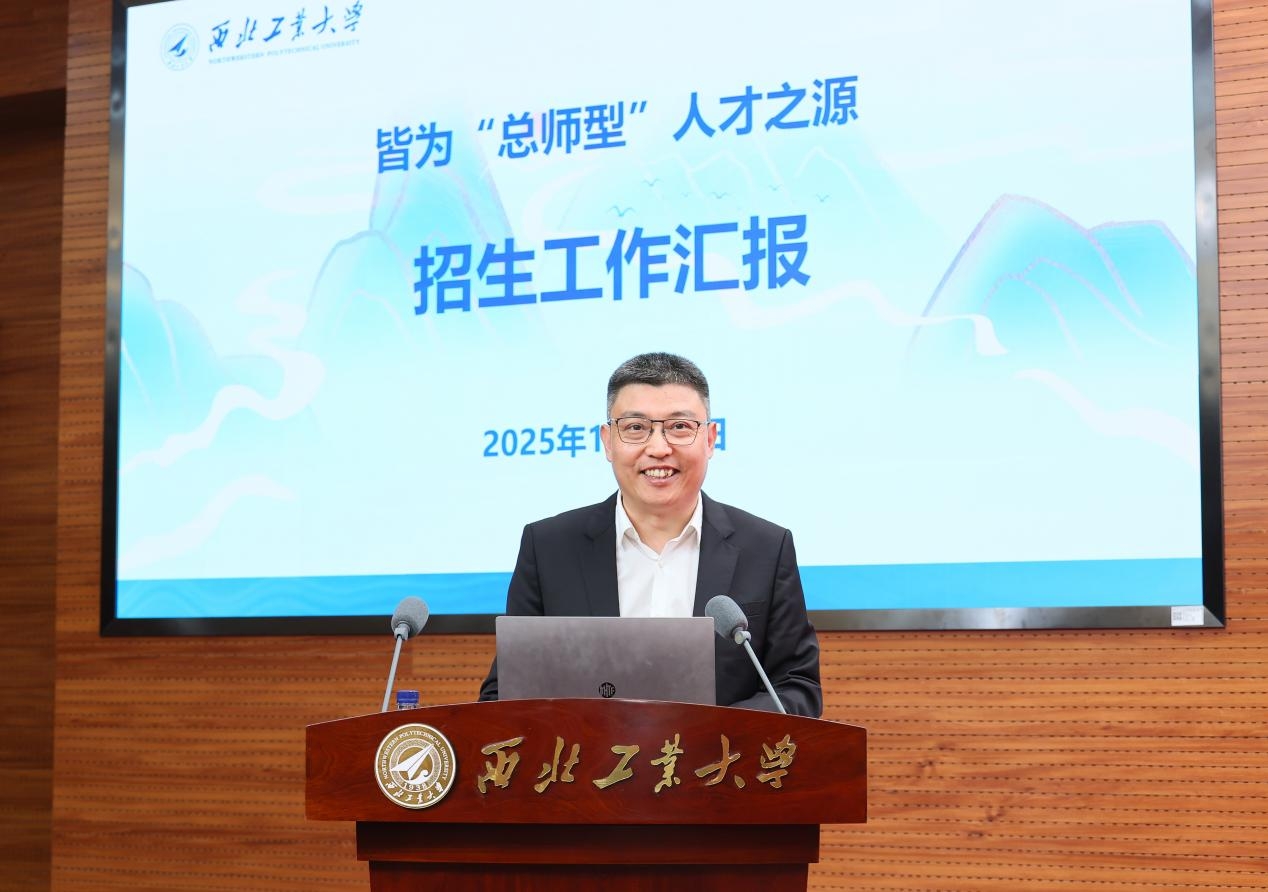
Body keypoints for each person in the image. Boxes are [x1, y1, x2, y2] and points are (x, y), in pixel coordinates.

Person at [479, 352, 822, 716]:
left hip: (718, 752)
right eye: (636, 428)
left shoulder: (766, 549)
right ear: (608, 441)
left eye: (679, 427)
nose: (658, 449)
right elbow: (506, 691)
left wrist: (714, 731)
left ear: (710, 439)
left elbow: (797, 688)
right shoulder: (549, 548)